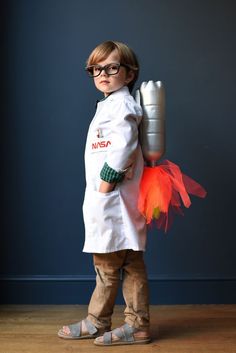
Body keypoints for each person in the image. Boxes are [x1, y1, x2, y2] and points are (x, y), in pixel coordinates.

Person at [58, 40, 150, 346]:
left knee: (107, 263)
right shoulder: (111, 104)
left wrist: (106, 183)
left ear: (129, 73)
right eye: (96, 69)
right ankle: (136, 324)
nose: (102, 74)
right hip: (115, 200)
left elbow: (124, 144)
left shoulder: (122, 105)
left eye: (111, 67)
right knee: (129, 262)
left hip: (113, 199)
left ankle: (98, 321)